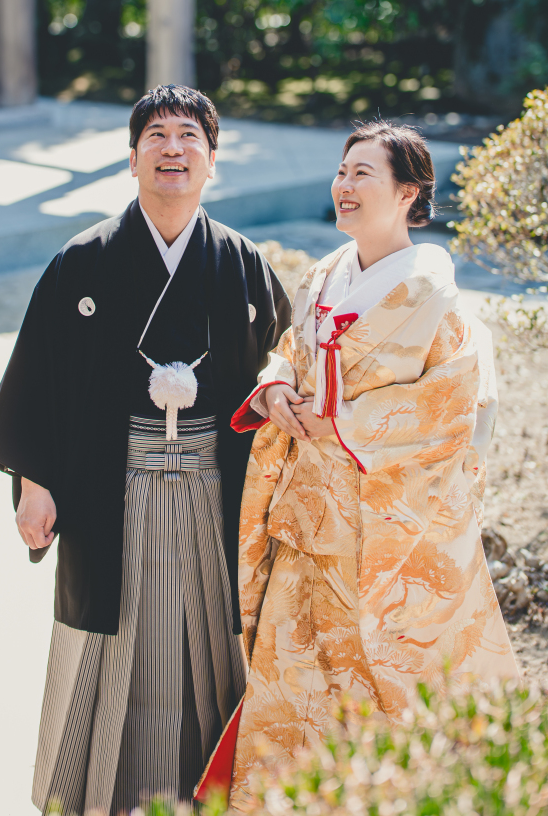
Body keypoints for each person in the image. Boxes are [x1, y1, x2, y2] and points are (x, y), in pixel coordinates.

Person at [0, 84, 291, 816]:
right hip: (109, 489)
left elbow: (284, 370)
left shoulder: (243, 264)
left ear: (212, 159)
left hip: (217, 489)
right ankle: (103, 799)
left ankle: (216, 794)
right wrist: (34, 483)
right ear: (132, 158)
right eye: (156, 136)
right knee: (114, 644)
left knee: (215, 639)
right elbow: (40, 377)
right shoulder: (82, 262)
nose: (172, 149)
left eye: (189, 136)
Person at [213, 120, 518, 810]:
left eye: (363, 173)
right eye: (342, 171)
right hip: (305, 519)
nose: (344, 185)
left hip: (382, 534)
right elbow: (291, 351)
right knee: (294, 683)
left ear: (409, 193)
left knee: (381, 682)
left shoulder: (434, 297)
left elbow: (453, 407)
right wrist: (277, 386)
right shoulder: (325, 274)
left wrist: (343, 422)